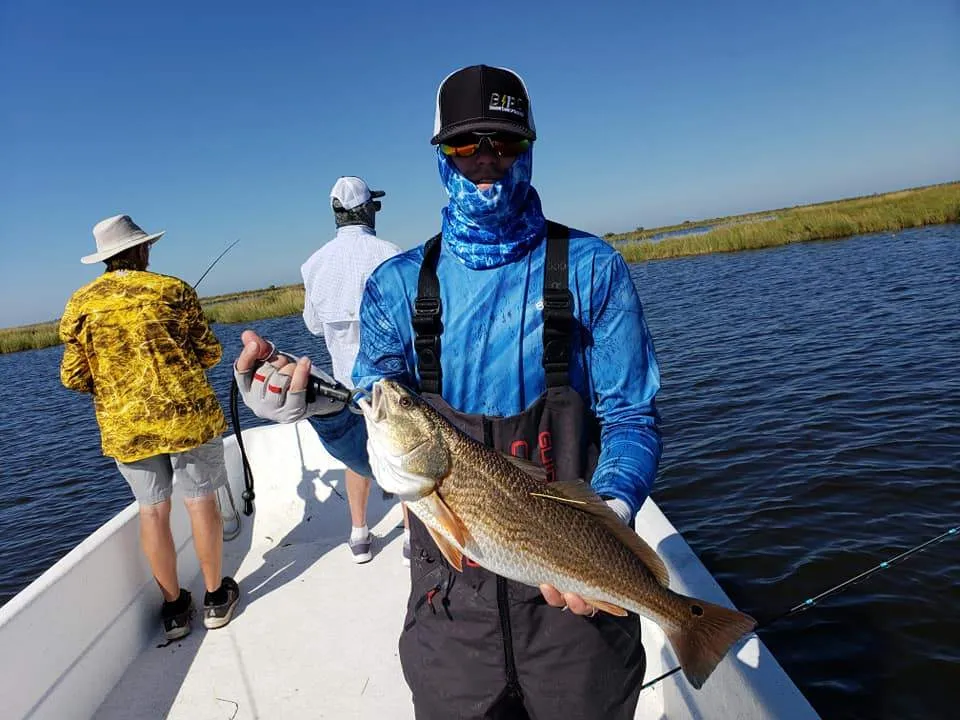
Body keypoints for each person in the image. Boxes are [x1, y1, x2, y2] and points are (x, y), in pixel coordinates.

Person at [234, 65, 662, 720]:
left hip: (575, 611)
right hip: (449, 612)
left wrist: (610, 512)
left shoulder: (589, 267)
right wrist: (318, 408)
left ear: (529, 147)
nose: (488, 161)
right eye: (468, 145)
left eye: (505, 142)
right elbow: (385, 448)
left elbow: (630, 414)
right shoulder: (399, 287)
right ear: (441, 155)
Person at [60, 214, 240, 641]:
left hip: (128, 428)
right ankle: (216, 598)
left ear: (105, 258)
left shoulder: (80, 304)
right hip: (187, 419)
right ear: (141, 250)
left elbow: (73, 376)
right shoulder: (174, 290)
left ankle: (175, 609)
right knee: (200, 501)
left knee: (153, 511)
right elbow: (211, 352)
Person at [300, 176, 409, 564]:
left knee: (355, 456)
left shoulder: (312, 264)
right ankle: (414, 537)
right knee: (402, 454)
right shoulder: (390, 252)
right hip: (389, 382)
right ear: (367, 209)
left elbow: (313, 325)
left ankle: (360, 534)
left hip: (343, 382)